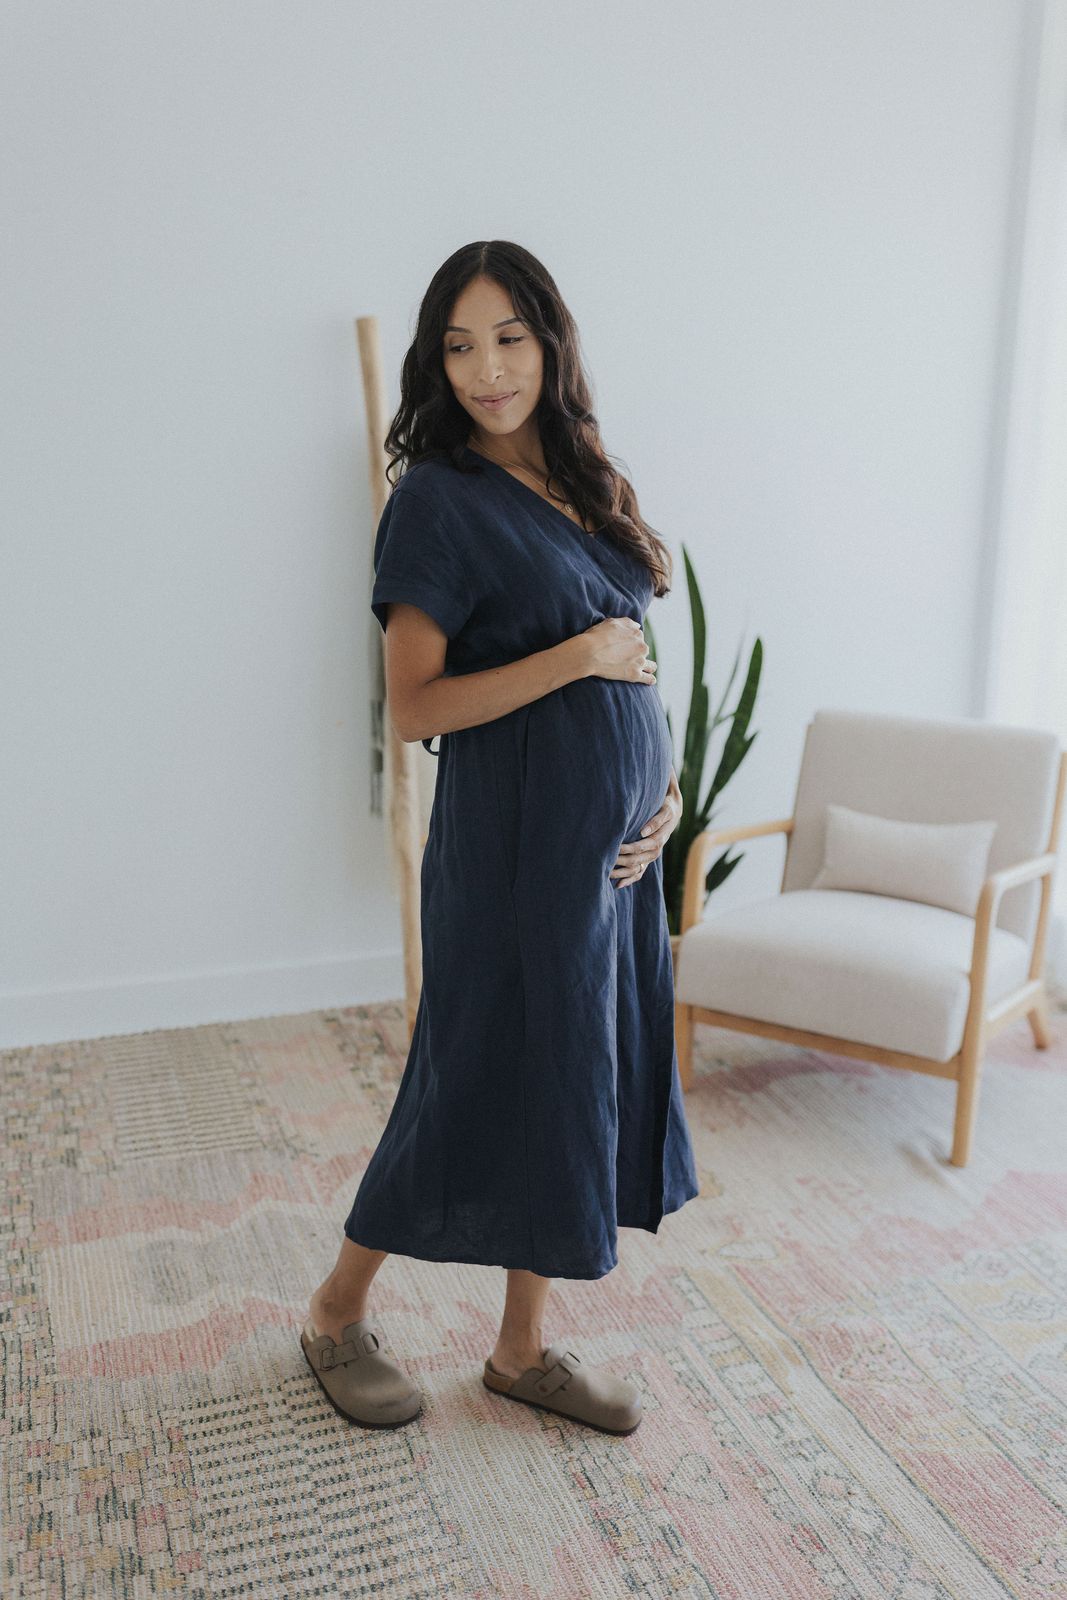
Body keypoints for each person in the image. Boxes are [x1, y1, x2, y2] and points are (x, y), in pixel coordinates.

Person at [301, 241, 699, 1435]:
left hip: (609, 860)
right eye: (459, 345)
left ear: (548, 341)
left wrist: (664, 785)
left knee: (570, 1077)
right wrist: (575, 658)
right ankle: (332, 1311)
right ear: (437, 358)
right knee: (471, 1070)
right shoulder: (433, 501)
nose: (484, 370)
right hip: (510, 848)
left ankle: (521, 1347)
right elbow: (417, 705)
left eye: (507, 339)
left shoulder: (584, 478)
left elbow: (634, 660)